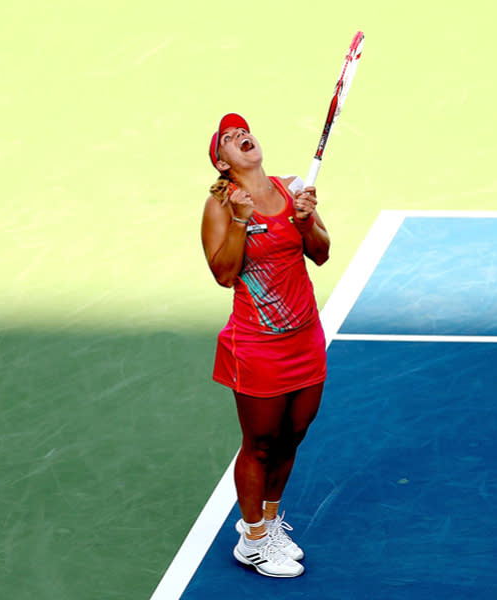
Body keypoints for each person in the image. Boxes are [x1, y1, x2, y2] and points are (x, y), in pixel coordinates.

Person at [201, 113, 330, 578]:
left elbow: (320, 251)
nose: (241, 136)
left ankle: (270, 523)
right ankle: (252, 539)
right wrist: (239, 220)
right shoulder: (222, 205)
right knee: (259, 444)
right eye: (230, 138)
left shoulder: (293, 188)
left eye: (243, 131)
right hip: (256, 346)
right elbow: (223, 274)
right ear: (222, 161)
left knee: (293, 434)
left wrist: (305, 219)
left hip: (305, 337)